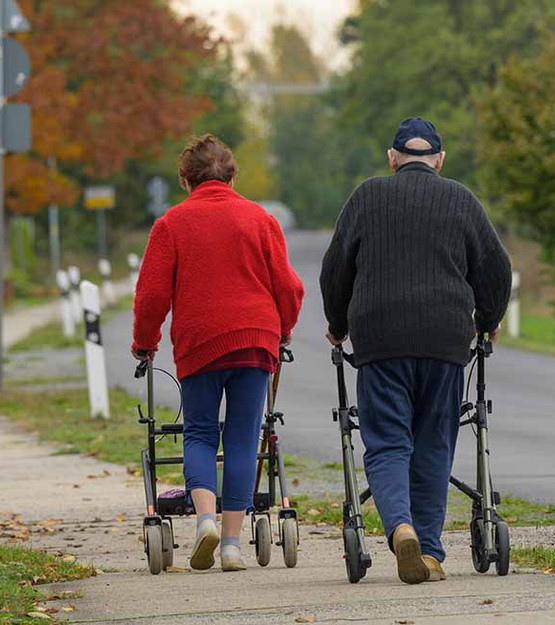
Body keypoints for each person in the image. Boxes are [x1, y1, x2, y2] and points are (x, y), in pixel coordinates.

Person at [320, 117, 511, 584]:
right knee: (433, 441)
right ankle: (428, 551)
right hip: (445, 340)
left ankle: (398, 527)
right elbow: (495, 269)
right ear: (440, 161)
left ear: (393, 159)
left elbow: (335, 269)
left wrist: (338, 324)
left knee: (386, 442)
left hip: (380, 340)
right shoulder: (460, 199)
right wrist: (487, 322)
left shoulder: (366, 197)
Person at [132, 134, 305, 572]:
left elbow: (151, 295)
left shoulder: (171, 224)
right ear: (231, 174)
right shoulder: (259, 219)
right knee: (245, 436)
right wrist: (284, 329)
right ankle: (231, 544)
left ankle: (204, 519)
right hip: (254, 338)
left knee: (201, 433)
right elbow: (287, 286)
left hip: (200, 342)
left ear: (185, 179)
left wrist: (144, 343)